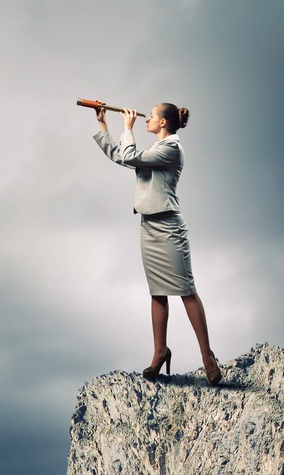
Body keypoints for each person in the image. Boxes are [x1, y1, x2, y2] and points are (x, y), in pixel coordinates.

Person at [92, 102, 221, 385]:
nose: (145, 118)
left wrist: (127, 128)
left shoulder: (171, 148)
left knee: (186, 290)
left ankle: (207, 356)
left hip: (169, 227)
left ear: (163, 123)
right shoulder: (154, 150)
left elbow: (130, 156)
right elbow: (121, 155)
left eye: (150, 115)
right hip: (148, 226)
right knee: (157, 292)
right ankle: (160, 352)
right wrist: (103, 124)